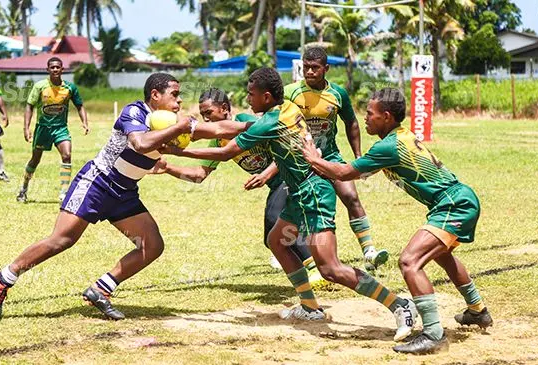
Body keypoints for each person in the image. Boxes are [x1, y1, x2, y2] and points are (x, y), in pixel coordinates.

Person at [163, 68, 417, 337]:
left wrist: (178, 149)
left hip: (314, 192)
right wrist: (190, 128)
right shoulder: (285, 109)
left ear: (267, 96)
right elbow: (227, 127)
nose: (248, 100)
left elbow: (226, 152)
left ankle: (399, 305)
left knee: (330, 268)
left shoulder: (270, 122)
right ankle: (309, 306)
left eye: (251, 94)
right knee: (276, 241)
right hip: (299, 192)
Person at [0, 73, 249, 321]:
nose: (180, 100)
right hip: (97, 183)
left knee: (152, 245)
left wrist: (257, 124)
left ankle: (101, 289)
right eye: (175, 94)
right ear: (155, 95)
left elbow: (218, 130)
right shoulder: (134, 112)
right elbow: (142, 144)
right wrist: (180, 127)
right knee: (62, 240)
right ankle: (4, 277)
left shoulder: (176, 123)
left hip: (124, 192)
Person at [301, 87, 492, 355]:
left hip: (454, 205)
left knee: (409, 261)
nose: (365, 118)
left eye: (370, 113)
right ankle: (477, 310)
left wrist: (312, 158)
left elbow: (344, 173)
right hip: (456, 200)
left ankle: (434, 334)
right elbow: (359, 171)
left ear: (387, 116)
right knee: (442, 255)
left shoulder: (389, 145)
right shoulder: (398, 136)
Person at [152, 87, 324, 284]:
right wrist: (168, 168)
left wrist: (265, 174)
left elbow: (285, 144)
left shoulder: (246, 122)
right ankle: (310, 273)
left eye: (209, 113)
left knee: (273, 218)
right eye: (203, 116)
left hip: (290, 176)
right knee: (272, 236)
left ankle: (315, 269)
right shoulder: (218, 141)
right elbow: (199, 175)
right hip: (278, 184)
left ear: (224, 108)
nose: (206, 120)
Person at [285, 46, 388, 271]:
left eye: (315, 68)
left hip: (330, 155)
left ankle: (369, 251)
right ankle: (290, 250)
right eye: (306, 67)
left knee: (351, 197)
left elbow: (351, 122)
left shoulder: (338, 94)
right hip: (301, 158)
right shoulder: (290, 92)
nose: (309, 72)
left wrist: (358, 156)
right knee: (299, 206)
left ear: (326, 69)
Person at [16, 57, 89, 203]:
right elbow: (29, 106)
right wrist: (26, 128)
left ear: (62, 69)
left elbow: (79, 105)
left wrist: (85, 122)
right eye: (52, 67)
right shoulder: (40, 86)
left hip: (60, 129)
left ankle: (63, 193)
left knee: (67, 155)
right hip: (42, 129)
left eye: (58, 67)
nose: (55, 69)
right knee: (35, 160)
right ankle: (23, 190)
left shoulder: (70, 88)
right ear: (47, 69)